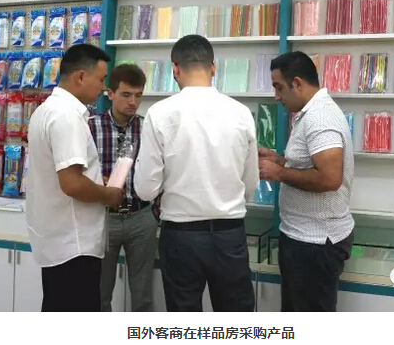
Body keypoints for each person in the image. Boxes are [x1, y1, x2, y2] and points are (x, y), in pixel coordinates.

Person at [134, 34, 259, 312]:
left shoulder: (159, 113)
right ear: (214, 67)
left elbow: (145, 189)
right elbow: (250, 183)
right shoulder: (241, 113)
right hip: (229, 234)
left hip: (180, 236)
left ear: (174, 69)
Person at [26, 44, 125, 312]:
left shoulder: (46, 111)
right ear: (81, 76)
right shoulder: (66, 116)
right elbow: (71, 183)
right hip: (74, 245)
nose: (103, 88)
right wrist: (108, 194)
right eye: (101, 79)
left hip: (59, 241)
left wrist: (96, 181)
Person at [258, 51, 354, 312]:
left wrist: (279, 174)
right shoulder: (309, 113)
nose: (276, 96)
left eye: (279, 87)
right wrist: (279, 161)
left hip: (315, 243)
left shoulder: (320, 117)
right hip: (305, 239)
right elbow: (309, 166)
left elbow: (330, 178)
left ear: (297, 83)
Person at [88, 64, 159, 312]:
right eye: (126, 94)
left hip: (141, 216)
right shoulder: (90, 126)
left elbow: (161, 171)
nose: (133, 102)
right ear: (110, 93)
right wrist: (98, 181)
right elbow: (78, 172)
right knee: (99, 292)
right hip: (103, 217)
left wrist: (154, 213)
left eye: (138, 95)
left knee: (143, 294)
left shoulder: (148, 128)